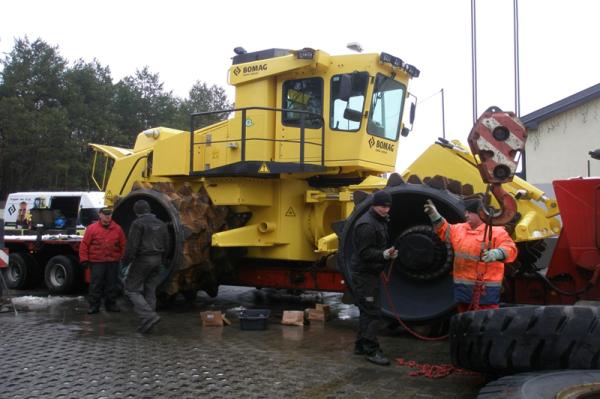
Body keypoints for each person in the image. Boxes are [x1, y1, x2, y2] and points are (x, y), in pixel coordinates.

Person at [424, 198, 518, 313]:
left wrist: (498, 253)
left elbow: (511, 249)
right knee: (465, 320)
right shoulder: (460, 229)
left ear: (480, 214)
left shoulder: (496, 232)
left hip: (485, 290)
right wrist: (435, 216)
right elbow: (444, 231)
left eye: (469, 212)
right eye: (466, 212)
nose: (466, 215)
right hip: (463, 289)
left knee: (485, 320)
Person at [349, 190, 398, 366]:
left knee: (366, 310)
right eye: (383, 206)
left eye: (388, 207)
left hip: (370, 273)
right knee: (373, 312)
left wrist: (387, 255)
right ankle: (371, 350)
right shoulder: (367, 225)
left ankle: (360, 345)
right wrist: (384, 255)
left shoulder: (379, 221)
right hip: (364, 276)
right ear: (374, 205)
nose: (386, 210)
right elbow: (365, 252)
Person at [122, 199, 169, 334]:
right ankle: (148, 322)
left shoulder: (137, 223)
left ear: (136, 212)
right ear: (149, 209)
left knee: (131, 289)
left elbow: (132, 246)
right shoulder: (161, 223)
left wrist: (125, 262)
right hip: (158, 260)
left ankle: (148, 316)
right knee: (150, 289)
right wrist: (162, 260)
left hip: (143, 260)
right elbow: (167, 244)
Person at [79, 207, 127, 314]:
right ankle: (94, 306)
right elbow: (84, 245)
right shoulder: (91, 228)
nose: (107, 217)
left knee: (112, 284)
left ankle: (111, 305)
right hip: (97, 262)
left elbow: (123, 245)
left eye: (109, 215)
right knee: (96, 285)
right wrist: (84, 259)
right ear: (100, 215)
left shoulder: (118, 229)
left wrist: (123, 258)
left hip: (112, 262)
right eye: (105, 215)